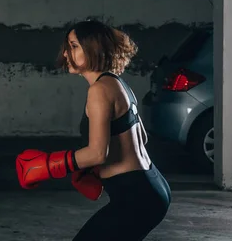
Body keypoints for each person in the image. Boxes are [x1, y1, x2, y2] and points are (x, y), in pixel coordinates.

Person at [15, 19, 171, 240]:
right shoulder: (117, 83)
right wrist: (96, 170)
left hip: (135, 196)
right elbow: (141, 138)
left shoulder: (99, 90)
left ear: (93, 48)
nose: (67, 53)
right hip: (152, 186)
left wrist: (49, 166)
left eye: (74, 46)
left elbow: (98, 153)